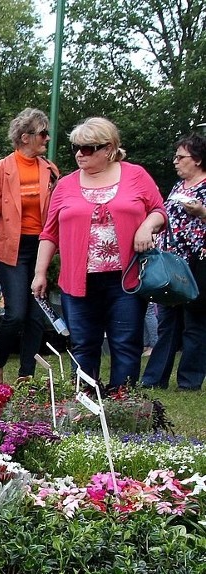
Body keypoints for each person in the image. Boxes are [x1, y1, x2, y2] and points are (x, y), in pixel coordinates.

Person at [33, 117, 167, 389]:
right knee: (83, 345)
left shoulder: (136, 175)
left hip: (126, 279)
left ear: (109, 148)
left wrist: (146, 226)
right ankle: (86, 406)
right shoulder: (66, 185)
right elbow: (49, 233)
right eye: (76, 148)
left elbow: (159, 212)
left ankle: (123, 404)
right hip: (78, 280)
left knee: (126, 343)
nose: (80, 154)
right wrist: (39, 273)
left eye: (89, 148)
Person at [0, 108, 59, 384]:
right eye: (42, 134)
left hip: (41, 247)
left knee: (37, 316)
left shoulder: (50, 170)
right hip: (12, 248)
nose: (47, 139)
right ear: (25, 137)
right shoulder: (0, 169)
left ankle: (27, 375)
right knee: (15, 314)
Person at [141, 134, 206, 390]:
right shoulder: (178, 188)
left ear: (198, 159)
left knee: (195, 322)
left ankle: (189, 381)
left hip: (199, 261)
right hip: (171, 262)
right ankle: (154, 379)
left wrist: (202, 212)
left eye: (181, 157)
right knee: (167, 322)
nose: (175, 162)